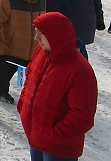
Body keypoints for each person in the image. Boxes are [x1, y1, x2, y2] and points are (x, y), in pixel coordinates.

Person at [18, 12, 98, 161]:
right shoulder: (41, 52)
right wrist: (23, 107)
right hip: (35, 135)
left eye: (41, 33)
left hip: (59, 149)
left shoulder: (80, 70)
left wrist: (52, 135)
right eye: (36, 32)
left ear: (56, 35)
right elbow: (29, 79)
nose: (36, 38)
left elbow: (83, 117)